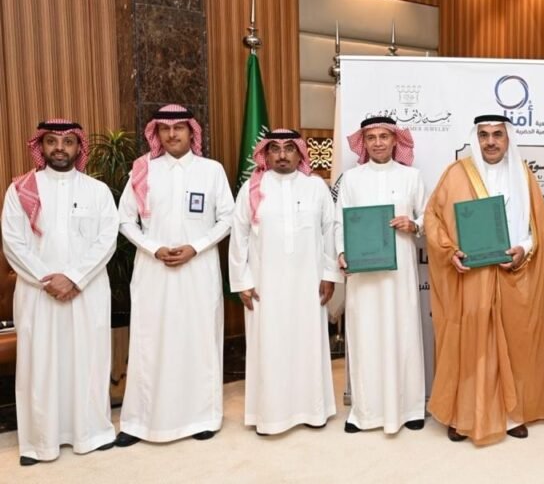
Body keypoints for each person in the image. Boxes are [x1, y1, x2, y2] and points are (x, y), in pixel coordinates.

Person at [424, 114, 544, 445]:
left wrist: (524, 249)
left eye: (498, 134)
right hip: (471, 277)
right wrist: (450, 251)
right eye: (484, 135)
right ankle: (463, 415)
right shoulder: (456, 174)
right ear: (476, 138)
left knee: (515, 343)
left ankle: (514, 415)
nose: (491, 141)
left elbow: (538, 227)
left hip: (513, 274)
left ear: (508, 138)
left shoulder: (523, 175)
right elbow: (433, 218)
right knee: (469, 345)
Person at [115, 104, 234, 447]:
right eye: (164, 129)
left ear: (191, 131)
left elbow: (228, 217)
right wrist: (154, 248)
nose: (171, 134)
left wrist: (196, 246)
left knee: (198, 340)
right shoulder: (143, 170)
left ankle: (202, 417)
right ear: (156, 133)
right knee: (149, 342)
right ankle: (139, 422)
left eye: (178, 127)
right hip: (154, 271)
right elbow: (125, 220)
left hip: (199, 270)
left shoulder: (211, 170)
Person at [2, 120, 118, 466]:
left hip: (87, 291)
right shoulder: (21, 190)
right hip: (38, 294)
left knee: (88, 361)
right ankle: (40, 443)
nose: (59, 148)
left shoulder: (97, 191)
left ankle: (92, 433)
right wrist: (47, 279)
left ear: (78, 147)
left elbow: (107, 239)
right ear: (41, 146)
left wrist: (74, 278)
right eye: (52, 141)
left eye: (67, 142)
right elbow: (13, 242)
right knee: (40, 364)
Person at [229, 129, 341, 435]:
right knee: (269, 345)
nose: (282, 154)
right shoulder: (252, 188)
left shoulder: (316, 187)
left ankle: (312, 411)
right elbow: (238, 236)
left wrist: (329, 275)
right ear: (265, 154)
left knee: (308, 343)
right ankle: (270, 415)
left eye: (289, 148)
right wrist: (241, 281)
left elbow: (329, 232)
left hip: (309, 283)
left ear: (300, 153)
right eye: (275, 148)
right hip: (265, 285)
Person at [335, 116, 426, 434]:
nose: (377, 143)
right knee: (366, 337)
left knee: (403, 333)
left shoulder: (412, 177)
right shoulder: (351, 179)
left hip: (399, 273)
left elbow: (428, 216)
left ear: (395, 140)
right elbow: (339, 223)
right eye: (371, 137)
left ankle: (410, 408)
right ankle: (366, 412)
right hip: (363, 276)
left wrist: (414, 224)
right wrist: (341, 252)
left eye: (383, 137)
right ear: (364, 142)